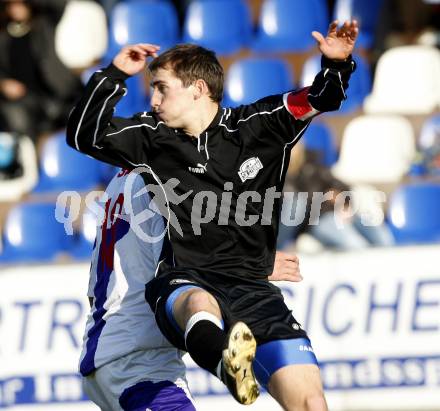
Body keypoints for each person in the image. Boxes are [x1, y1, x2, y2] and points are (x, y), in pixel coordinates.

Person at [67, 19, 358, 410]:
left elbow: (320, 98)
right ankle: (228, 365)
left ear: (198, 89)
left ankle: (232, 358)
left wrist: (337, 65)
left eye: (161, 88)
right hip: (184, 283)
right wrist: (115, 74)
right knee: (198, 302)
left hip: (251, 289)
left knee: (311, 402)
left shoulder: (259, 125)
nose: (153, 101)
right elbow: (84, 134)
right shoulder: (152, 140)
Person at [80, 167, 303, 411]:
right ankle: (222, 361)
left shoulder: (120, 180)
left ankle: (221, 360)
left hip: (117, 350)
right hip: (138, 363)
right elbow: (186, 265)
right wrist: (251, 266)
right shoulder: (160, 176)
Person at [0, 0, 83, 141]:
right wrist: (3, 83)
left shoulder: (44, 23)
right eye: (11, 5)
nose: (16, 9)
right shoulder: (3, 35)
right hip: (26, 100)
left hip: (58, 93)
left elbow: (59, 4)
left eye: (20, 3)